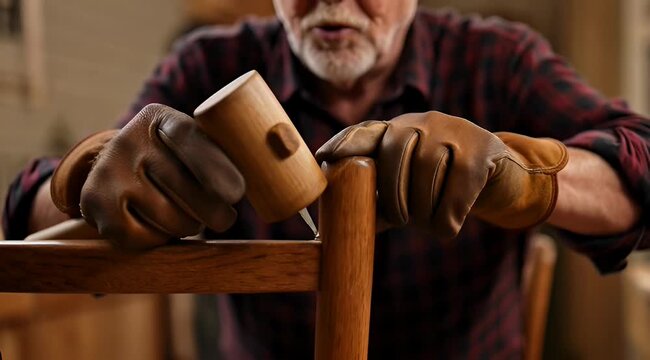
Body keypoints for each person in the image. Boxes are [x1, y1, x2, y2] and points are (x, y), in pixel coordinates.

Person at [3, 0, 649, 358]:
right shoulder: (211, 64)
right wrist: (84, 180)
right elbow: (24, 212)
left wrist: (532, 181)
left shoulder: (499, 61)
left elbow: (642, 166)